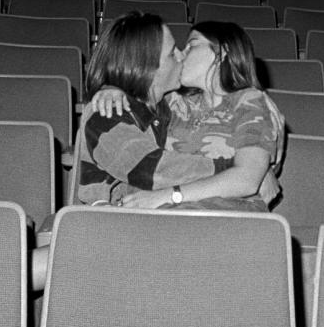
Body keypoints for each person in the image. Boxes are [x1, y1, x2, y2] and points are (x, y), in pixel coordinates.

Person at [81, 15, 284, 211]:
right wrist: (111, 88)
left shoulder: (249, 102)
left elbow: (246, 180)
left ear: (221, 53)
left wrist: (169, 195)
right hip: (162, 219)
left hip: (223, 219)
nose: (181, 54)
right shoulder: (171, 102)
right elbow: (150, 166)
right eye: (174, 51)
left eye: (191, 45)